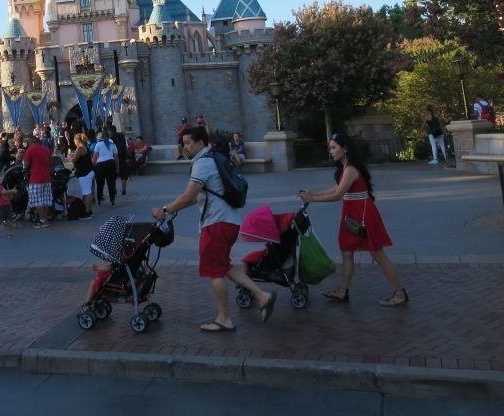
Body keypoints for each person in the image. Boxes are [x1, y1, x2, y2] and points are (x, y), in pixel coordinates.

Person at [152, 125, 277, 331]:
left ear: (200, 143)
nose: (185, 147)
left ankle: (224, 319)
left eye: (188, 143)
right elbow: (201, 195)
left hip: (216, 224)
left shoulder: (202, 163)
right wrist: (176, 208)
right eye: (183, 144)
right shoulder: (212, 159)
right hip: (228, 221)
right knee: (223, 265)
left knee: (215, 272)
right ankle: (263, 296)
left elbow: (189, 195)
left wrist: (165, 209)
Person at [300, 132, 407, 307]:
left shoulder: (350, 169)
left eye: (334, 148)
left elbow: (338, 195)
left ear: (345, 149)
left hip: (362, 214)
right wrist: (315, 194)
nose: (331, 152)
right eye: (331, 148)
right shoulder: (346, 168)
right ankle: (343, 291)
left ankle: (400, 294)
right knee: (346, 251)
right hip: (352, 213)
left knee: (377, 254)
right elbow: (338, 187)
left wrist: (312, 199)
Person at [92, 129, 119, 207]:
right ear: (109, 136)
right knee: (111, 184)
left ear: (102, 137)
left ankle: (99, 200)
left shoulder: (98, 145)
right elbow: (116, 158)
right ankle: (112, 201)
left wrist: (93, 165)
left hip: (100, 165)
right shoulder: (113, 145)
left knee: (100, 184)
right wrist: (117, 166)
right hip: (111, 164)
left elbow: (95, 157)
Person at [70, 133, 94, 218]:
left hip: (84, 173)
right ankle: (89, 209)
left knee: (86, 192)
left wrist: (70, 157)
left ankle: (87, 212)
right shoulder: (85, 147)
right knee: (89, 192)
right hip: (89, 171)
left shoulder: (80, 148)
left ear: (77, 140)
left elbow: (73, 160)